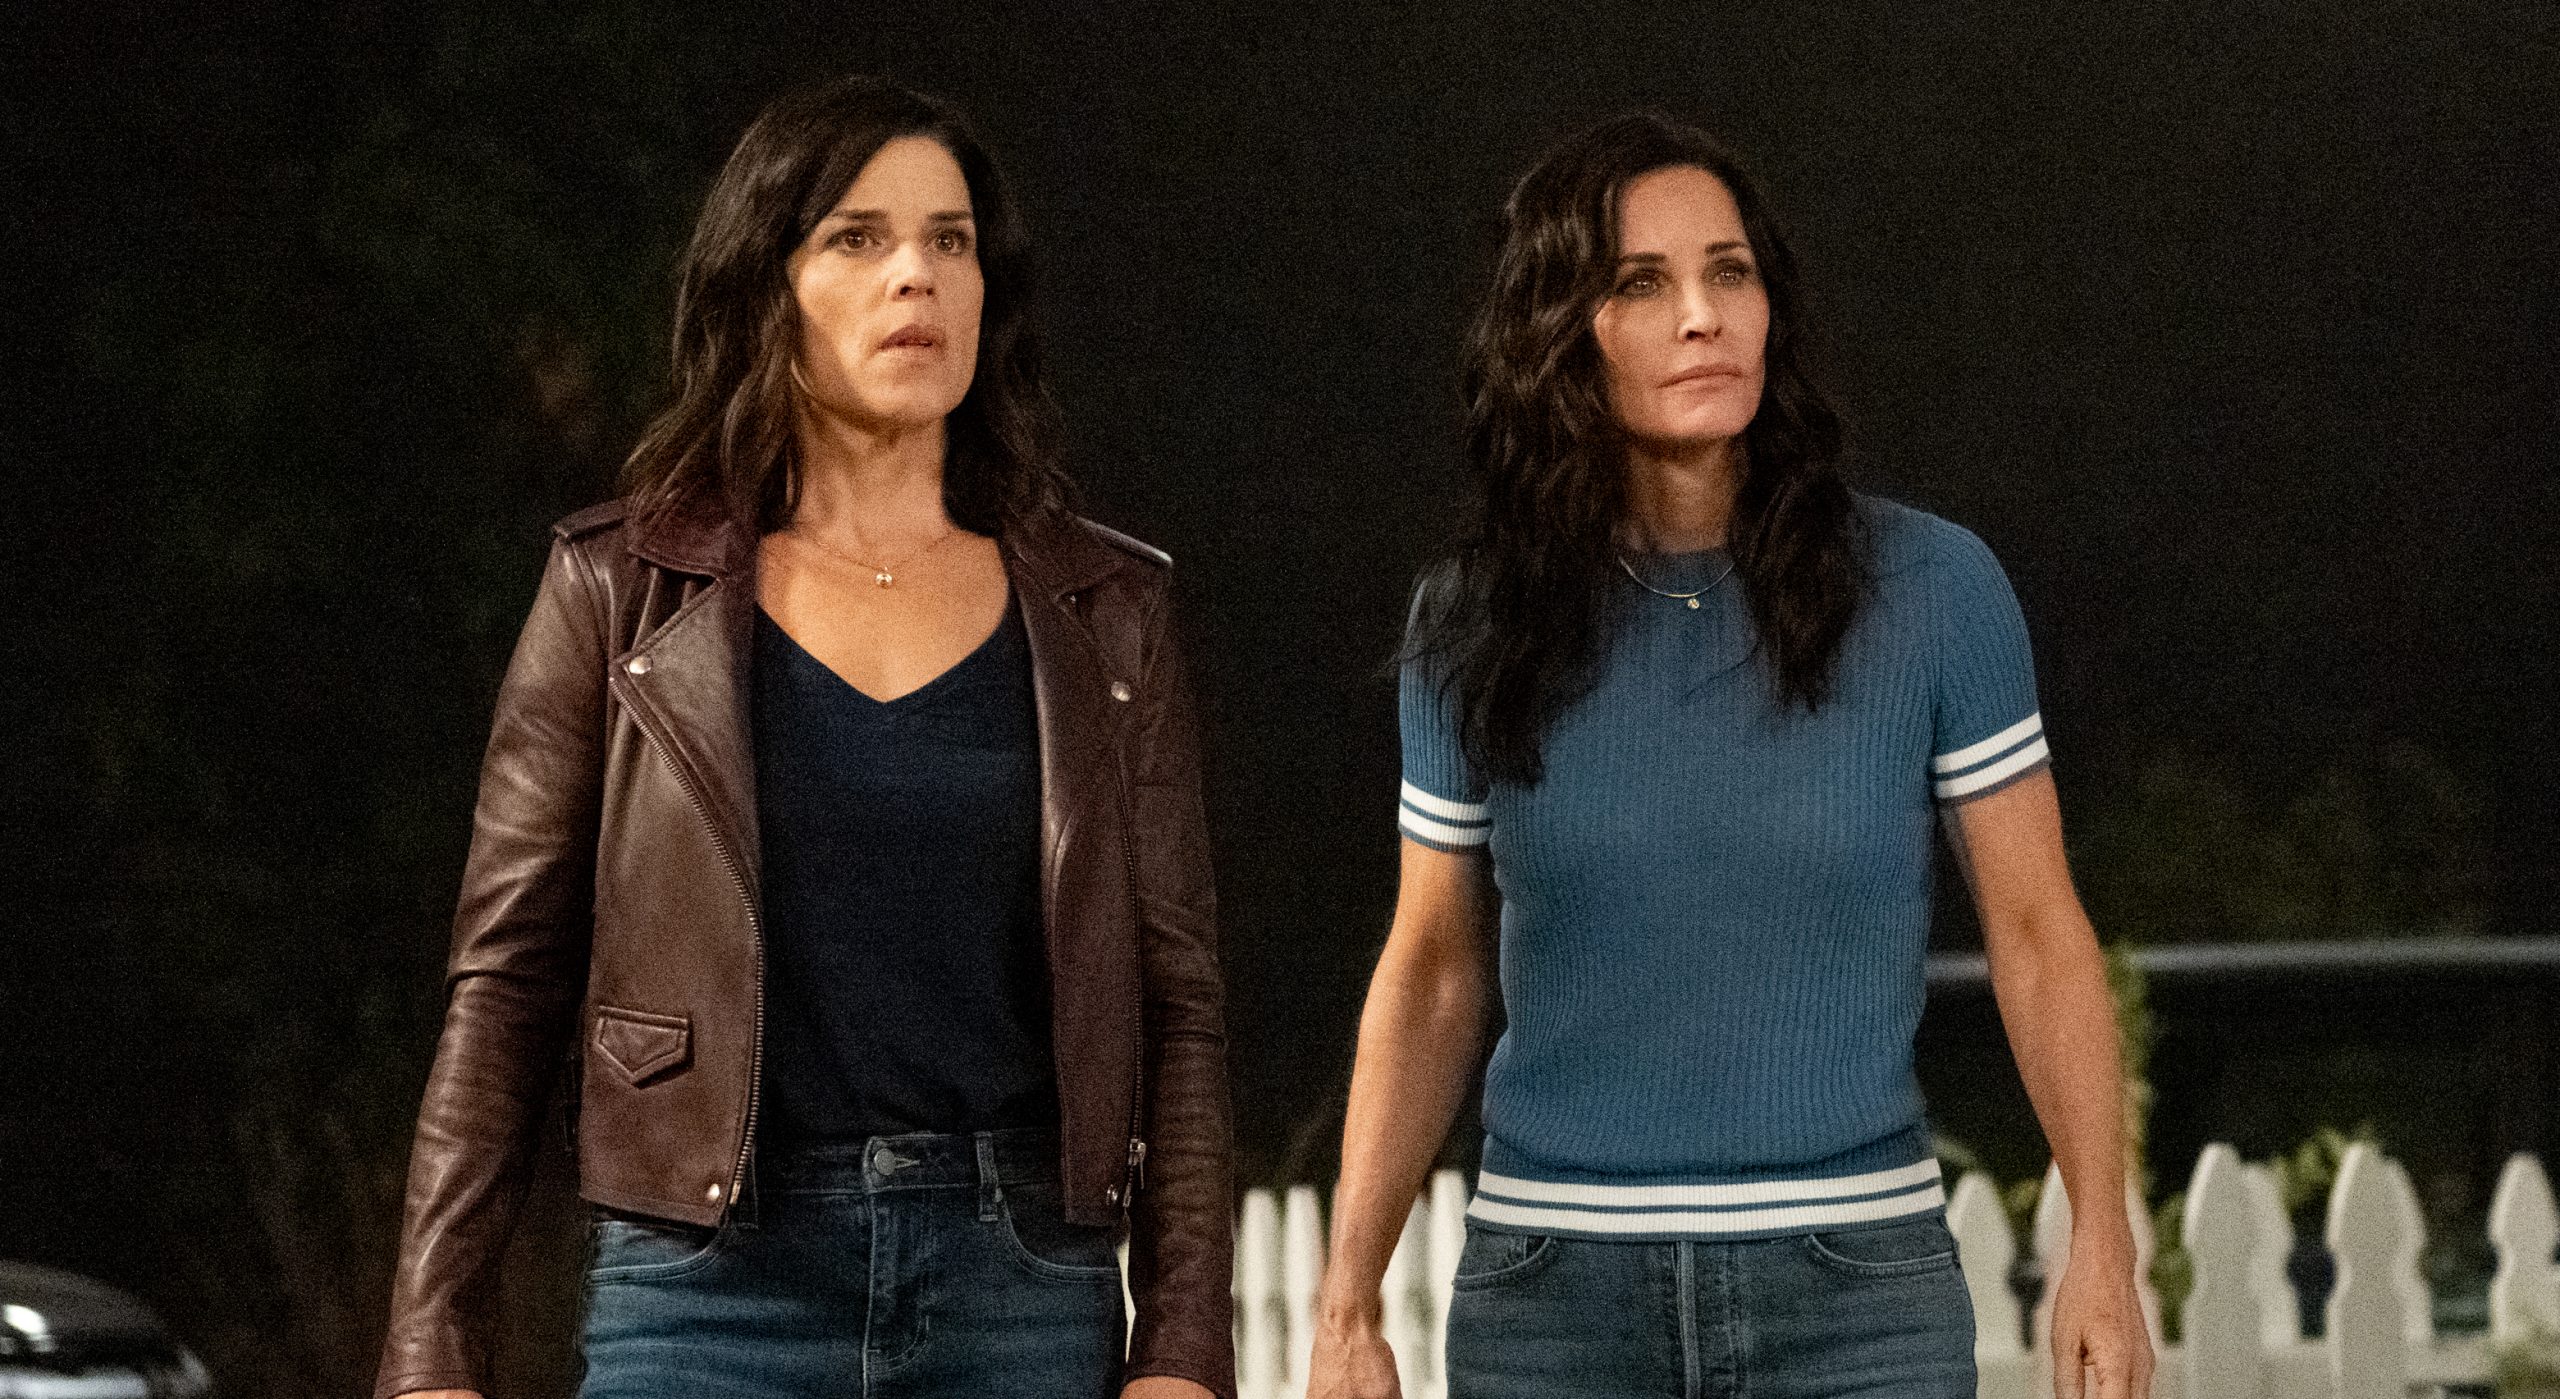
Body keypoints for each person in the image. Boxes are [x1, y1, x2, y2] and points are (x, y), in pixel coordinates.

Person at [373, 76, 1234, 1399]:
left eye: (950, 241)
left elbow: (1178, 1004)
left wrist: (1181, 1348)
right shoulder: (618, 591)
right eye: (858, 237)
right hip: (709, 1288)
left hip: (1014, 1288)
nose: (917, 276)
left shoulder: (1106, 609)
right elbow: (506, 983)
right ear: (767, 287)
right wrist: (432, 1347)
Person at [1306, 113, 2154, 1399]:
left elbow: (2038, 934)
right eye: (1641, 283)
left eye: (1729, 272)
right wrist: (1345, 1299)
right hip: (1554, 1309)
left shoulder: (1933, 589)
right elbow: (1430, 970)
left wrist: (2103, 1241)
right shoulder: (1471, 620)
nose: (1702, 316)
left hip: (1857, 1299)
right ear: (1560, 333)